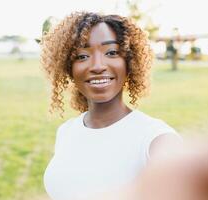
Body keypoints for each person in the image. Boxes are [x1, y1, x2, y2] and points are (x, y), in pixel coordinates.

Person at [40, 11, 181, 200]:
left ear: (129, 63)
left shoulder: (156, 140)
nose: (98, 66)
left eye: (112, 52)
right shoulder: (66, 131)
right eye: (82, 56)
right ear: (68, 68)